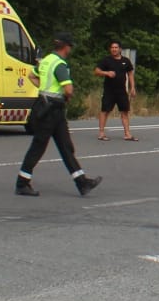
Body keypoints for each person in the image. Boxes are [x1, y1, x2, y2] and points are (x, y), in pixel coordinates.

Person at [17, 33, 101, 197]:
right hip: (52, 109)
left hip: (46, 106)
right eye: (70, 46)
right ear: (66, 47)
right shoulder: (60, 64)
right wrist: (66, 97)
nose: (70, 49)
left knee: (65, 146)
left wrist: (43, 88)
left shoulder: (47, 60)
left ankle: (82, 182)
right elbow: (68, 89)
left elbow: (31, 75)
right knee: (38, 146)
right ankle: (22, 183)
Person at [93, 41, 138, 141]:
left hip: (121, 90)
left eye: (116, 47)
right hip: (109, 90)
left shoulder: (126, 61)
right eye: (112, 47)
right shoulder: (106, 60)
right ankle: (101, 133)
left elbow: (130, 74)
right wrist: (106, 73)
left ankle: (127, 134)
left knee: (124, 112)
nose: (114, 49)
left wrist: (133, 87)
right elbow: (96, 71)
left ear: (120, 49)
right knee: (105, 111)